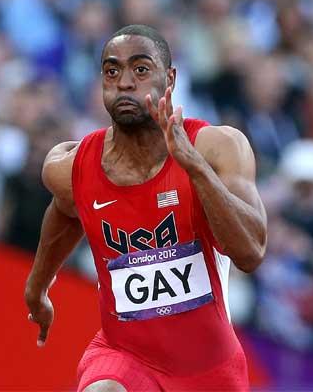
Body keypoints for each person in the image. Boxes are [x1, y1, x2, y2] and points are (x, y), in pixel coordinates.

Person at [24, 24, 267, 391]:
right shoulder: (72, 167)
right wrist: (38, 286)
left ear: (169, 79)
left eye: (140, 69)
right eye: (112, 71)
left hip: (209, 368)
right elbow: (66, 211)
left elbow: (251, 252)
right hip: (124, 356)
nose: (124, 82)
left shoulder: (217, 148)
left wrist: (195, 168)